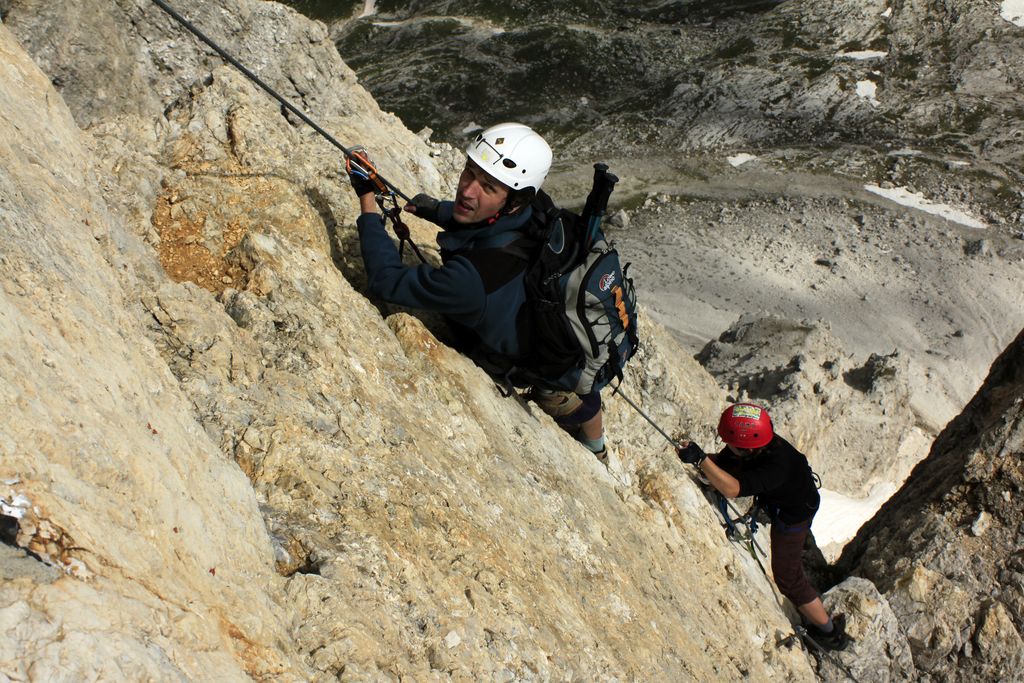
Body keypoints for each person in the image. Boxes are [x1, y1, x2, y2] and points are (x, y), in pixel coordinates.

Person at [348, 123, 606, 457]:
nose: (468, 191)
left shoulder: (469, 283)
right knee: (577, 388)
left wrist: (367, 199)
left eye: (488, 186)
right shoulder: (535, 206)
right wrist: (435, 210)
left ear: (513, 200)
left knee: (557, 387)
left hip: (539, 355)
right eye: (469, 172)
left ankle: (595, 451)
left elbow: (385, 279)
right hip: (550, 316)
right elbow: (490, 223)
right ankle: (595, 442)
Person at [677, 403, 848, 650]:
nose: (726, 445)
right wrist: (700, 457)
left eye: (730, 442)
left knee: (789, 579)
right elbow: (726, 463)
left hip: (792, 518)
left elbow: (732, 488)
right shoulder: (758, 446)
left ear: (747, 448)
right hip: (794, 498)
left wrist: (702, 460)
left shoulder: (777, 466)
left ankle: (830, 633)